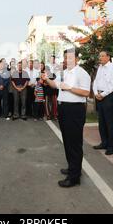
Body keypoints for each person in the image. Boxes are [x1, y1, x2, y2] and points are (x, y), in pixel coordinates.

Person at [42, 48, 91, 188]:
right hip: (63, 108)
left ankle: (74, 177)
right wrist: (47, 79)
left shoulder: (82, 73)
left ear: (76, 59)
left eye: (69, 58)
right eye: (65, 58)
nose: (66, 60)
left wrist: (69, 88)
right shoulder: (63, 73)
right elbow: (55, 85)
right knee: (67, 141)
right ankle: (72, 168)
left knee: (74, 142)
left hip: (75, 110)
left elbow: (86, 92)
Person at [92, 51, 113, 156]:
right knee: (102, 121)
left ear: (108, 57)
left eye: (103, 56)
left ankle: (112, 146)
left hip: (110, 97)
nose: (100, 58)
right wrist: (95, 93)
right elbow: (95, 82)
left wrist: (102, 94)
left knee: (110, 122)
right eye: (100, 56)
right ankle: (104, 142)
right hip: (99, 96)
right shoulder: (100, 67)